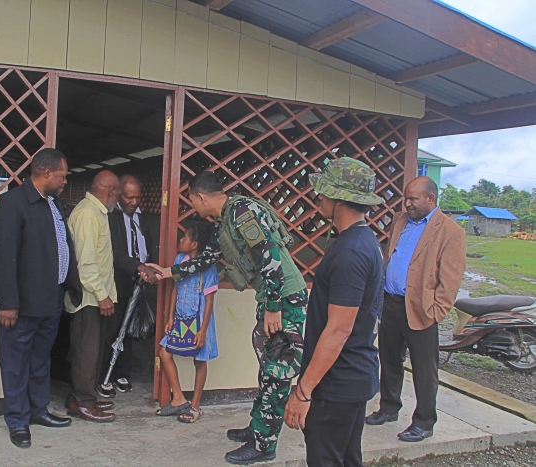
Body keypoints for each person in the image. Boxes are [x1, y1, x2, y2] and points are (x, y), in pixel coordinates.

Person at [149, 171, 307, 465]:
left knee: (277, 371)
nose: (194, 208)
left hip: (284, 299)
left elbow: (268, 255)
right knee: (266, 368)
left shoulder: (243, 212)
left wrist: (274, 306)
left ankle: (264, 445)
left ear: (201, 197)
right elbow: (207, 259)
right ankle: (256, 428)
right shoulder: (226, 220)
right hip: (273, 297)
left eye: (192, 202)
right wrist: (169, 272)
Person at [283, 157, 384, 467]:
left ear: (340, 199)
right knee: (346, 458)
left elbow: (338, 330)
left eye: (323, 191)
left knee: (327, 458)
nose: (319, 197)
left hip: (336, 383)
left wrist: (303, 392)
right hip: (353, 376)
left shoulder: (351, 252)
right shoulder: (363, 241)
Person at [0, 148, 82, 449]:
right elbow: (4, 257)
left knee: (40, 359)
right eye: (62, 176)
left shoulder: (53, 203)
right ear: (46, 173)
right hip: (21, 304)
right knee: (16, 363)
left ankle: (38, 410)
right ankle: (17, 420)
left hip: (50, 298)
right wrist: (7, 302)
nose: (65, 181)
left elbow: (61, 246)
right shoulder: (12, 203)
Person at [365, 176, 466, 442]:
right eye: (405, 198)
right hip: (391, 305)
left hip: (421, 310)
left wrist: (435, 312)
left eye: (413, 199)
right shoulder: (401, 220)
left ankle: (423, 421)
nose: (407, 203)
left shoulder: (450, 231)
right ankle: (388, 407)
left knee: (423, 369)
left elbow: (451, 280)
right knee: (388, 360)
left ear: (430, 199)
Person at [65, 170, 121, 423]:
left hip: (96, 296)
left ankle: (86, 396)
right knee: (86, 352)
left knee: (94, 350)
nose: (117, 198)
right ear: (110, 191)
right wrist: (102, 295)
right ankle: (82, 402)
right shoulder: (88, 213)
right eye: (117, 192)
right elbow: (85, 263)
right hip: (89, 298)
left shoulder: (96, 211)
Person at [98, 175, 160, 397]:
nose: (134, 202)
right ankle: (105, 374)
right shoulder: (110, 217)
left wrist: (146, 268)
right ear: (118, 195)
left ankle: (122, 373)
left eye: (137, 197)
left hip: (137, 284)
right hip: (116, 284)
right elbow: (114, 252)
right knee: (112, 330)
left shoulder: (141, 218)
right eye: (129, 197)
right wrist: (138, 267)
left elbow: (147, 245)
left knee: (129, 329)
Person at [156, 223, 218, 423]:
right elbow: (176, 287)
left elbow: (209, 301)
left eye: (185, 237)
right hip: (181, 318)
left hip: (199, 321)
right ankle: (179, 398)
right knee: (164, 353)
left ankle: (195, 406)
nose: (180, 240)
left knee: (200, 361)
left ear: (195, 244)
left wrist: (203, 331)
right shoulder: (179, 260)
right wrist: (170, 316)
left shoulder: (208, 269)